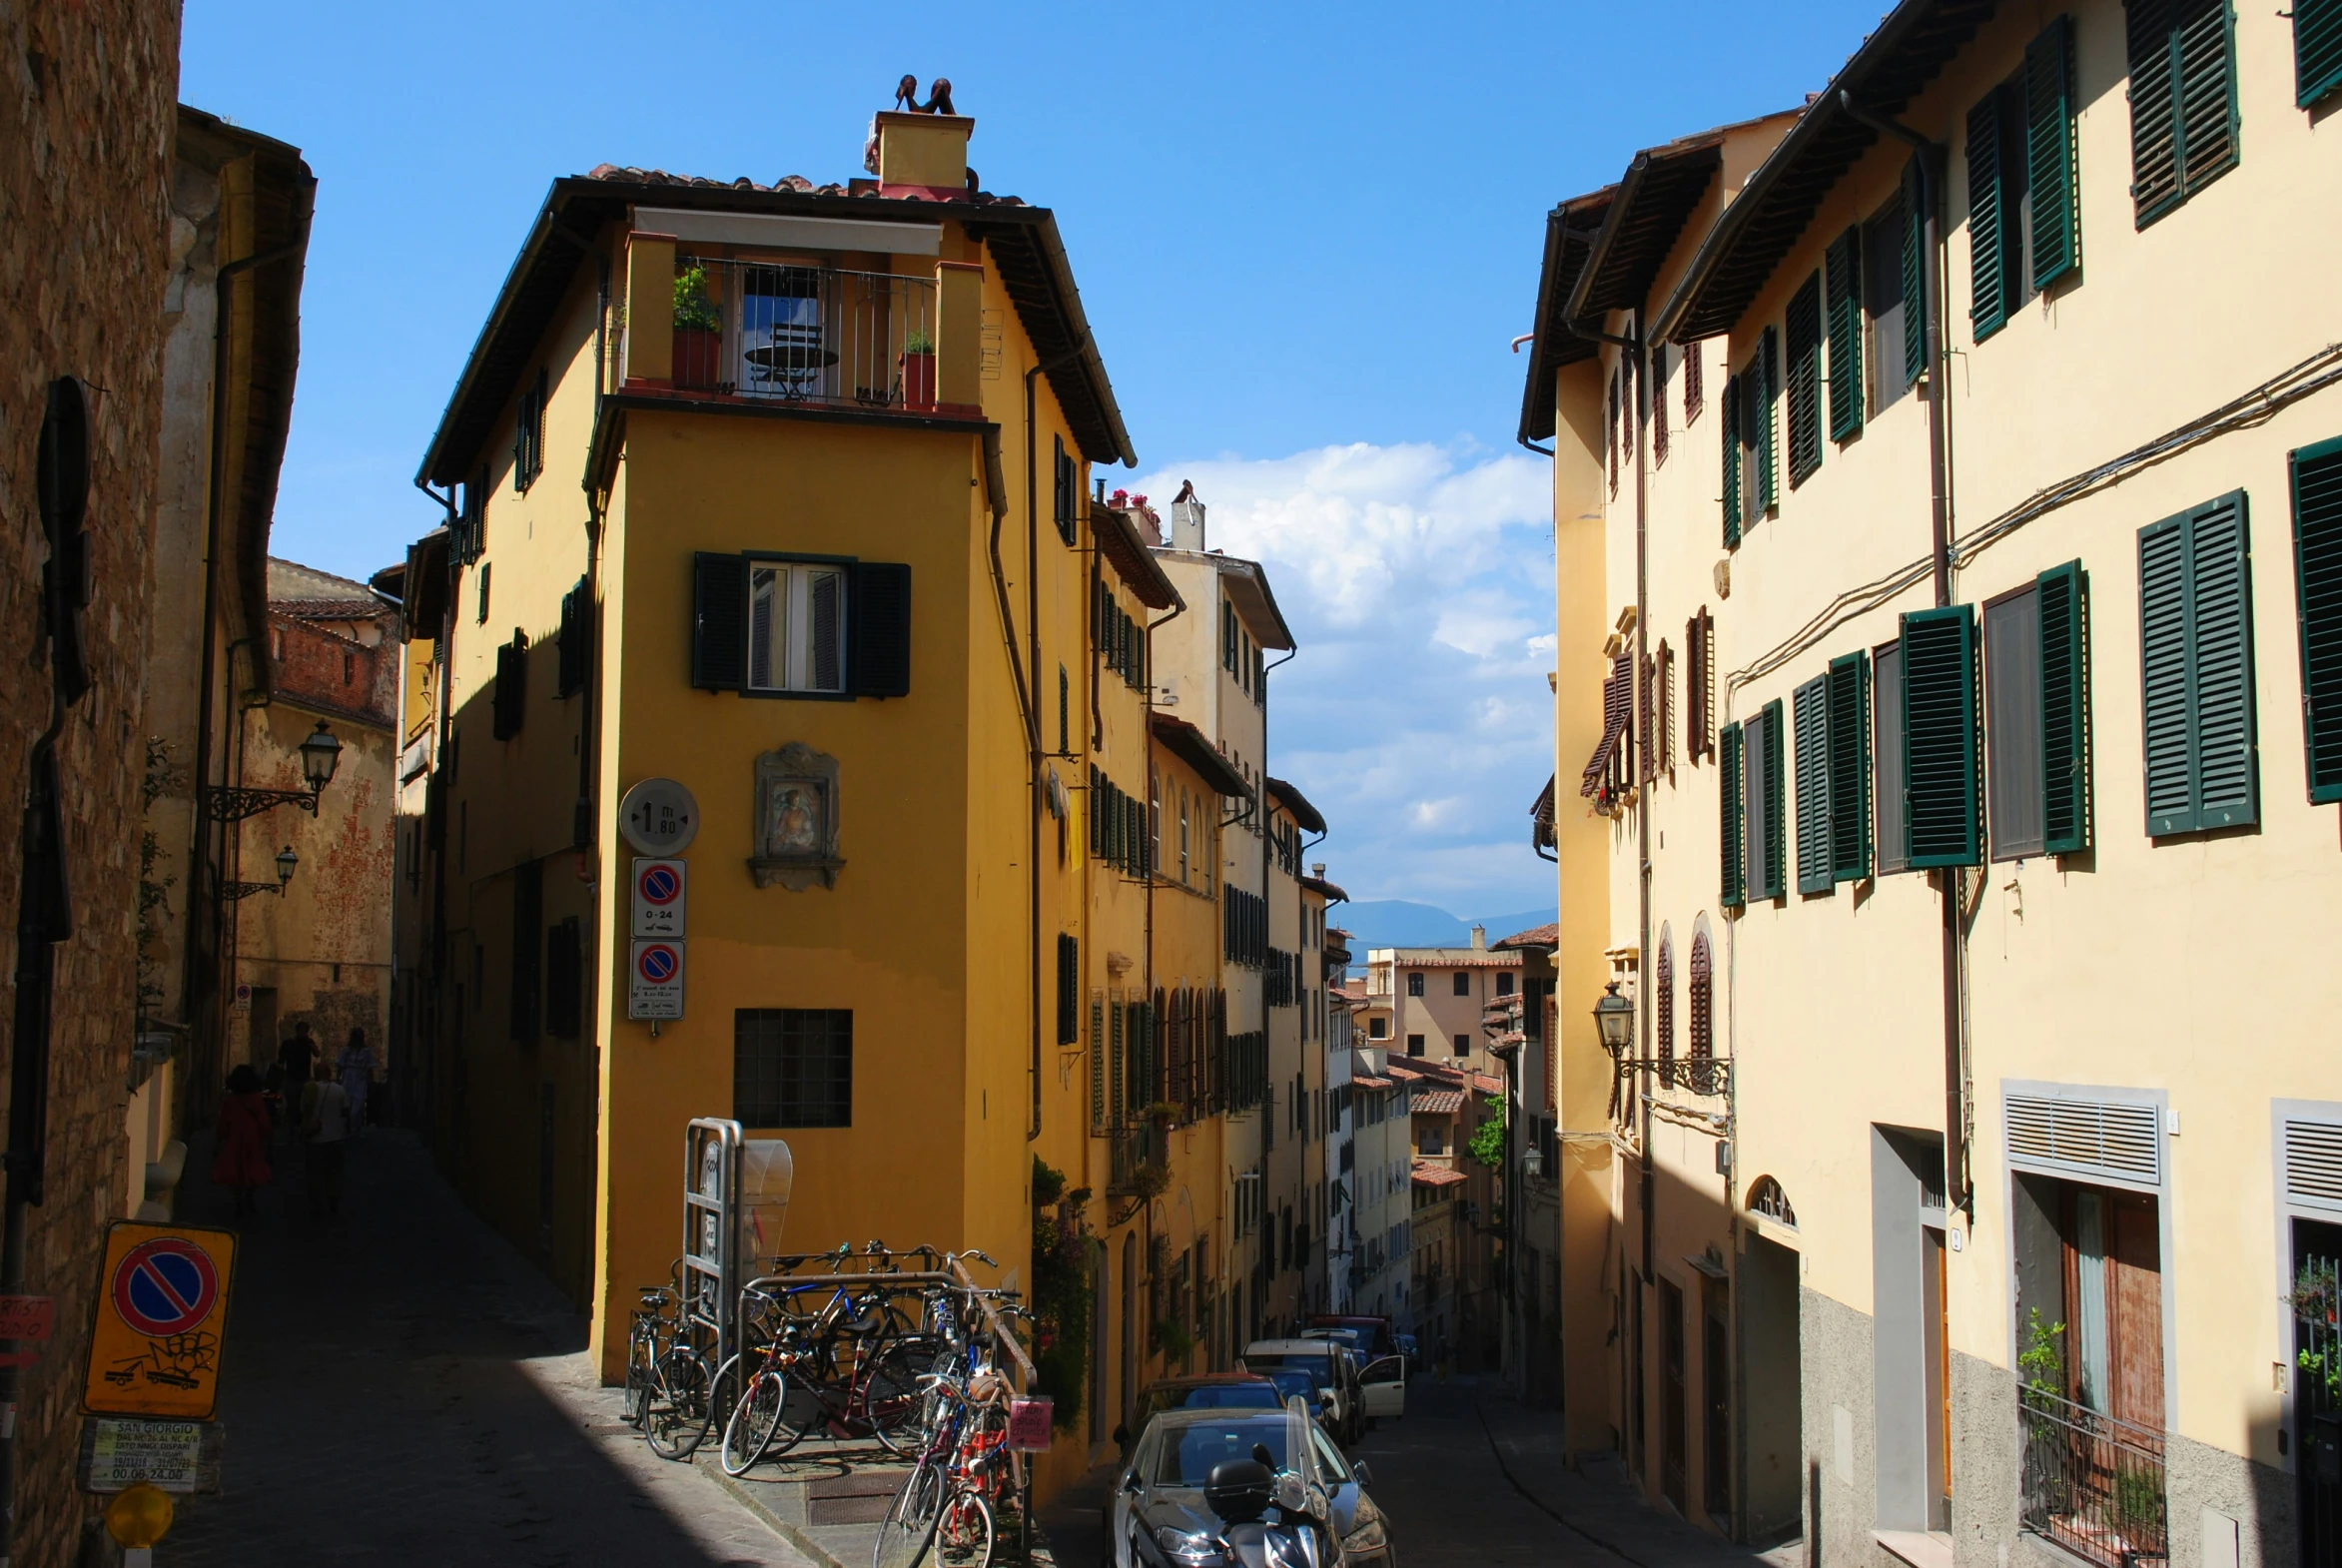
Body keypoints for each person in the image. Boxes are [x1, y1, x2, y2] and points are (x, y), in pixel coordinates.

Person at [210, 1065, 273, 1219]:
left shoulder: (230, 1100)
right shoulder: (257, 1099)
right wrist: (268, 1139)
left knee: (235, 1170)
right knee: (254, 1169)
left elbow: (222, 1122)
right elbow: (264, 1122)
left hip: (234, 1138)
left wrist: (219, 1141)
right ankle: (249, 1196)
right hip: (253, 1139)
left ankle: (238, 1200)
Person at [302, 1059, 352, 1219]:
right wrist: (346, 1131)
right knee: (334, 1172)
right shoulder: (339, 1090)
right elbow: (346, 1113)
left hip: (315, 1139)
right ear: (329, 1074)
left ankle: (317, 1205)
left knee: (315, 1174)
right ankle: (333, 1199)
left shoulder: (309, 1089)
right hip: (335, 1139)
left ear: (315, 1075)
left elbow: (303, 1112)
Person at [277, 1024, 318, 1141]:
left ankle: (302, 1129)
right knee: (292, 1105)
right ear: (297, 1031)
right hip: (292, 1078)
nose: (304, 1033)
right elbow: (280, 1060)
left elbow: (317, 1053)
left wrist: (310, 1044)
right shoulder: (288, 1044)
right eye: (302, 1031)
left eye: (306, 1031)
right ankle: (291, 1129)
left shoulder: (308, 1042)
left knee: (305, 1105)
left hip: (304, 1078)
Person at [337, 1028, 376, 1133]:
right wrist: (338, 1079)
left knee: (358, 1104)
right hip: (348, 1078)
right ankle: (348, 1126)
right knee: (346, 1102)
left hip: (360, 1079)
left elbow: (370, 1067)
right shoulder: (346, 1051)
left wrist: (370, 1080)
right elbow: (340, 1065)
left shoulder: (366, 1052)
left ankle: (356, 1125)